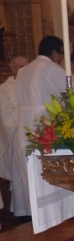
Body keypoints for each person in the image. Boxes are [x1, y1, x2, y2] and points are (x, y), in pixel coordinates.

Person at [16, 36, 74, 230]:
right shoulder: (52, 69)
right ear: (54, 52)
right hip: (44, 124)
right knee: (49, 169)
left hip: (24, 125)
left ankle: (34, 210)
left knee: (30, 170)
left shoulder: (23, 71)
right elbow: (69, 97)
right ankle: (52, 213)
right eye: (61, 54)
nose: (61, 58)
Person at [0, 55, 28, 218]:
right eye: (21, 67)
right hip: (16, 136)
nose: (25, 71)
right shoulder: (4, 88)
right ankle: (23, 210)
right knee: (20, 174)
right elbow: (5, 115)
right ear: (13, 68)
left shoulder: (30, 85)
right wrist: (26, 111)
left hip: (32, 134)